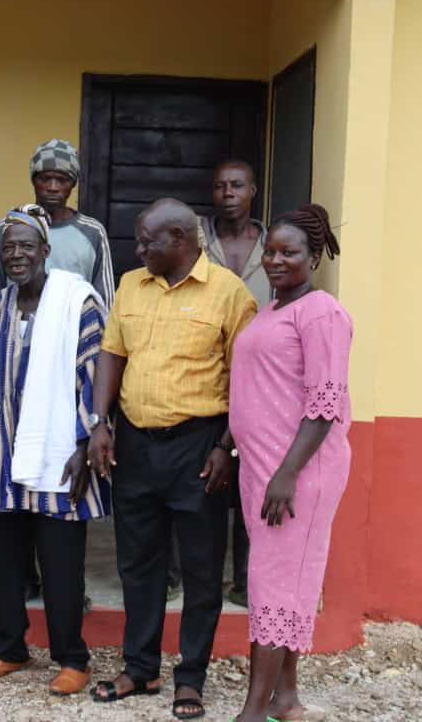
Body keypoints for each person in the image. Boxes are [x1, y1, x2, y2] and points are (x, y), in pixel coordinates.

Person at [88, 198, 257, 720]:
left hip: (199, 445)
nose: (138, 250)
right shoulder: (131, 285)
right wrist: (100, 423)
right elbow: (113, 354)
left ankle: (191, 677)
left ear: (181, 239)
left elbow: (247, 380)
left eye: (147, 242)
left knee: (203, 569)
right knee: (139, 564)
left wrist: (226, 446)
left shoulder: (229, 293)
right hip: (135, 442)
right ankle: (140, 667)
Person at [0, 205, 110, 697]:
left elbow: (95, 373)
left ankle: (72, 658)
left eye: (26, 245)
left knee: (61, 564)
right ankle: (9, 648)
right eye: (8, 247)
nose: (17, 254)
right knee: (6, 561)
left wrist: (85, 441)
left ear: (45, 251)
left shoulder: (79, 303)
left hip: (60, 455)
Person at [226, 205, 351, 722]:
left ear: (314, 257)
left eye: (289, 252)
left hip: (297, 474)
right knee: (284, 584)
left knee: (275, 584)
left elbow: (325, 404)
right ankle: (286, 699)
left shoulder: (321, 313)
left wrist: (286, 474)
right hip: (267, 472)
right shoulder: (273, 310)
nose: (275, 260)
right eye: (270, 252)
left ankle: (254, 710)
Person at [170, 159, 268, 606]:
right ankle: (179, 576)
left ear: (253, 191)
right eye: (220, 186)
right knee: (192, 479)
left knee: (253, 477)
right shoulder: (195, 241)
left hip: (263, 380)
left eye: (237, 185)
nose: (228, 193)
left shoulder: (274, 245)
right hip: (201, 374)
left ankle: (245, 581)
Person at [0, 139, 115, 306]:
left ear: (73, 184)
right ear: (33, 181)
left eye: (62, 180)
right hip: (17, 327)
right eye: (45, 179)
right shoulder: (7, 227)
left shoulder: (93, 232)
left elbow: (104, 302)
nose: (52, 187)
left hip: (75, 328)